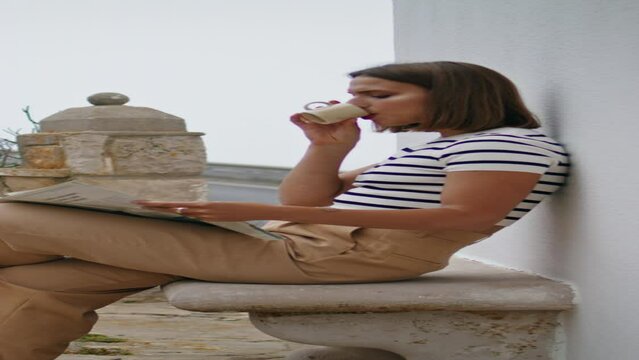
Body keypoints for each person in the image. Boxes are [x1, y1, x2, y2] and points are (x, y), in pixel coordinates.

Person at [0, 61, 569, 359]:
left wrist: (243, 208)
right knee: (43, 284)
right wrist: (327, 149)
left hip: (328, 256)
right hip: (305, 242)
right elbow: (306, 201)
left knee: (14, 218)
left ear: (453, 94)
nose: (361, 107)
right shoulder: (441, 148)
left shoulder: (504, 143)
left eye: (379, 96)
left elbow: (464, 218)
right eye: (358, 94)